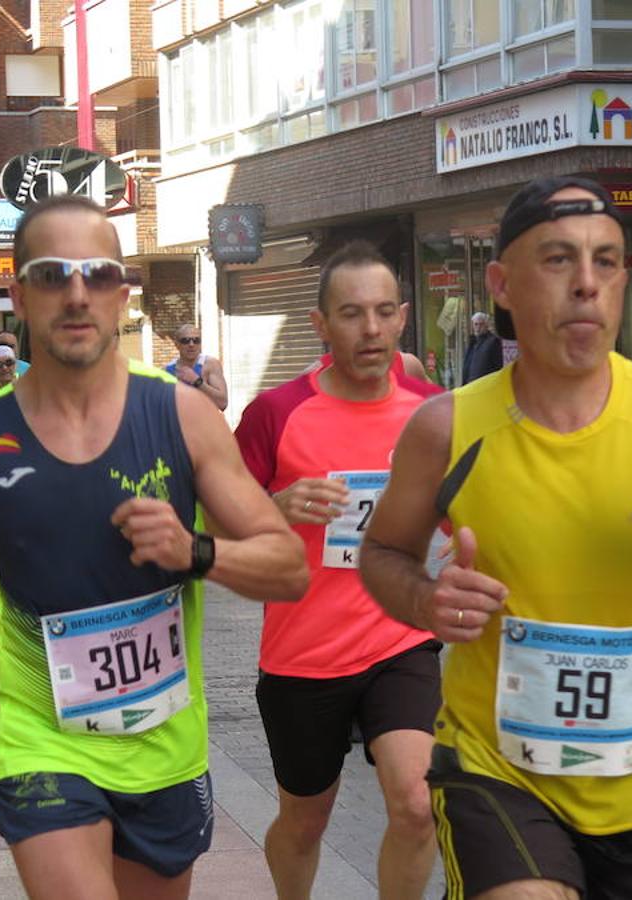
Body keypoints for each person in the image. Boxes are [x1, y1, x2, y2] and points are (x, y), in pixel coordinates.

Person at [0, 194, 309, 900]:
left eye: (98, 275)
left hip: (163, 742)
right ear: (17, 294)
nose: (77, 295)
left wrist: (195, 551)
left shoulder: (183, 417)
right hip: (33, 734)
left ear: (122, 296)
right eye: (52, 275)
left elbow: (288, 568)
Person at [359, 176, 632, 899]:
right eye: (558, 260)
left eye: (607, 261)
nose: (587, 284)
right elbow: (382, 554)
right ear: (502, 284)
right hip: (496, 771)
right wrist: (427, 603)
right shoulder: (447, 427)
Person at [234, 241, 444, 900]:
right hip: (304, 654)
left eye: (384, 312)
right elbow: (213, 526)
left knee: (416, 803)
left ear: (404, 317)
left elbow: (470, 510)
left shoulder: (432, 410)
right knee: (304, 821)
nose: (372, 329)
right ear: (321, 326)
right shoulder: (276, 414)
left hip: (400, 638)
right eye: (352, 314)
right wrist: (275, 505)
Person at [165, 324, 229, 411]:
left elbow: (222, 403)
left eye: (196, 340)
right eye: (185, 341)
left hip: (205, 423)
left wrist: (197, 381)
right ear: (177, 344)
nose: (191, 344)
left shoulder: (210, 364)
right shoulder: (167, 371)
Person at [462, 311, 503, 384]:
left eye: (481, 324)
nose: (478, 327)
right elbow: (467, 366)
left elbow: (498, 367)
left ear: (486, 325)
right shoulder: (472, 342)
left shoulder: (493, 341)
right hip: (470, 386)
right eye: (476, 324)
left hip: (485, 386)